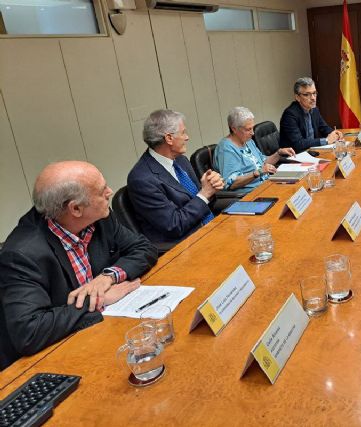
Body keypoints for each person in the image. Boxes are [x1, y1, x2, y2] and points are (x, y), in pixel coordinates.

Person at [0, 161, 158, 370]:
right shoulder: (22, 254)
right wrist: (99, 299)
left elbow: (143, 247)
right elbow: (29, 331)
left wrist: (107, 277)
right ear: (75, 208)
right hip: (56, 357)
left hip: (105, 331)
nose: (110, 192)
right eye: (102, 191)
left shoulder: (99, 218)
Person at [128, 109, 224, 248]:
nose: (187, 137)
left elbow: (200, 200)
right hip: (185, 245)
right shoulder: (142, 179)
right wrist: (205, 193)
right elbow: (174, 225)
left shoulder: (181, 161)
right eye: (183, 132)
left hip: (210, 228)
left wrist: (211, 185)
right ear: (169, 138)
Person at [215, 107, 295, 195]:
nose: (253, 133)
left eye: (252, 128)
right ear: (234, 129)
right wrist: (257, 173)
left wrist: (279, 153)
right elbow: (231, 183)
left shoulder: (248, 140)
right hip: (251, 194)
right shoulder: (226, 149)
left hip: (267, 185)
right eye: (248, 129)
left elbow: (263, 162)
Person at [279, 77, 343, 153]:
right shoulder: (290, 115)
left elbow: (324, 128)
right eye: (307, 95)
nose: (313, 98)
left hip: (311, 152)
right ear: (297, 97)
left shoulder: (314, 109)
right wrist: (326, 140)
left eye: (314, 93)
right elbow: (298, 144)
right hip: (296, 156)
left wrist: (335, 134)